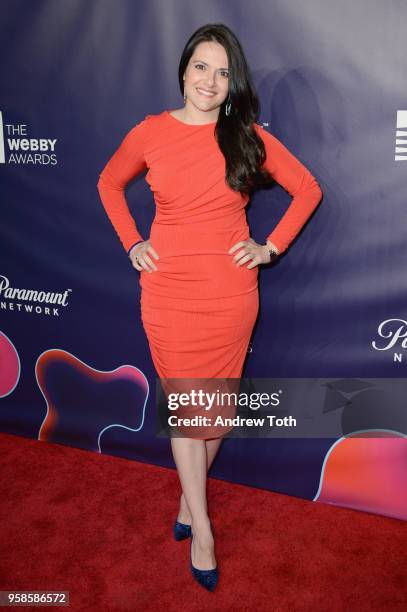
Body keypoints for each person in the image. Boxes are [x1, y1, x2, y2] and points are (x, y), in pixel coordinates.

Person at [97, 23, 323, 591]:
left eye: (223, 72)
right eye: (202, 66)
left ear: (233, 83)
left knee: (214, 412)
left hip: (230, 296)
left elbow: (308, 190)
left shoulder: (245, 136)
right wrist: (132, 241)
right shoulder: (150, 132)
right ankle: (203, 529)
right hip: (169, 294)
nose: (211, 80)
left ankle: (184, 502)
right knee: (187, 412)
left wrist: (269, 247)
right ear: (183, 71)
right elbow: (108, 183)